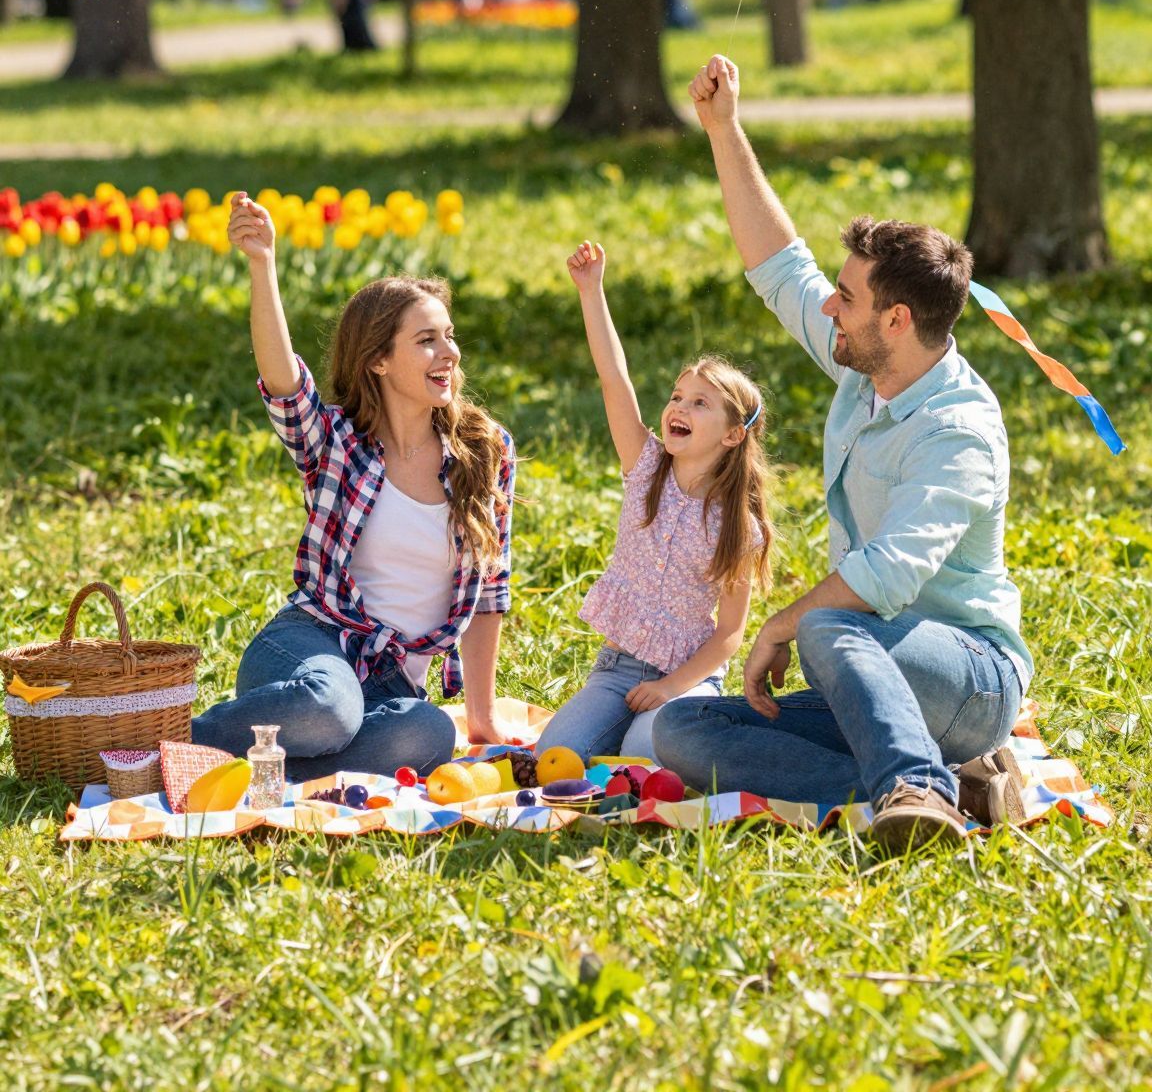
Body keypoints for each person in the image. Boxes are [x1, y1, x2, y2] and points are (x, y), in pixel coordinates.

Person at [653, 55, 1032, 856]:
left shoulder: (959, 430)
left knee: (830, 621)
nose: (829, 302)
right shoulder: (867, 370)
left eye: (848, 298)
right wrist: (724, 130)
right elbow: (778, 266)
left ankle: (918, 786)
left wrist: (785, 625)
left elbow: (886, 578)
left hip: (966, 679)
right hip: (862, 676)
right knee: (686, 728)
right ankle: (930, 788)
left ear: (895, 321)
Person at [192, 194, 514, 778]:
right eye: (426, 341)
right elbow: (282, 382)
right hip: (309, 648)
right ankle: (163, 740)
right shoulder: (337, 442)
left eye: (448, 336)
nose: (450, 353)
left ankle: (267, 770)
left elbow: (490, 593)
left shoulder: (484, 452)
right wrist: (263, 264)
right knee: (329, 711)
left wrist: (482, 717)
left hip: (393, 683)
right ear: (378, 361)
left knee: (429, 733)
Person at [535, 239, 774, 765]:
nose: (678, 407)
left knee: (650, 752)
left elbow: (730, 632)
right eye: (676, 396)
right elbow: (613, 379)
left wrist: (670, 688)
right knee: (555, 756)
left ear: (733, 436)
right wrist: (592, 292)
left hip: (689, 676)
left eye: (699, 403)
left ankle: (690, 726)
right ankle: (623, 729)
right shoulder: (645, 468)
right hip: (617, 668)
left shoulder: (738, 526)